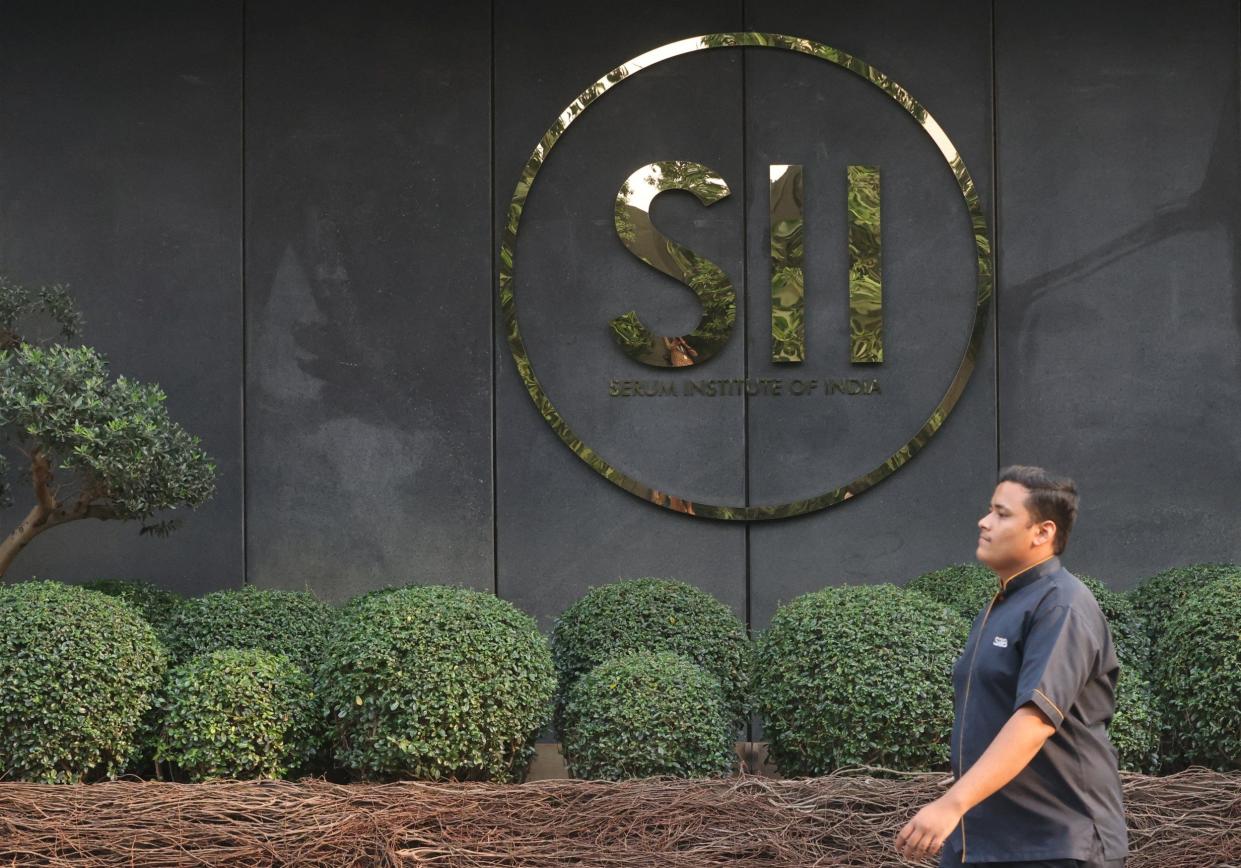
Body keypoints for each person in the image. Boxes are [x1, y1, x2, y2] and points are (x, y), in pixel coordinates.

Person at [895, 465, 1128, 866]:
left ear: (1043, 532)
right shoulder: (1000, 606)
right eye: (990, 510)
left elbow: (1034, 721)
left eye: (1002, 514)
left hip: (1055, 845)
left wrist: (951, 804)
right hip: (983, 845)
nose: (984, 522)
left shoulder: (1061, 605)